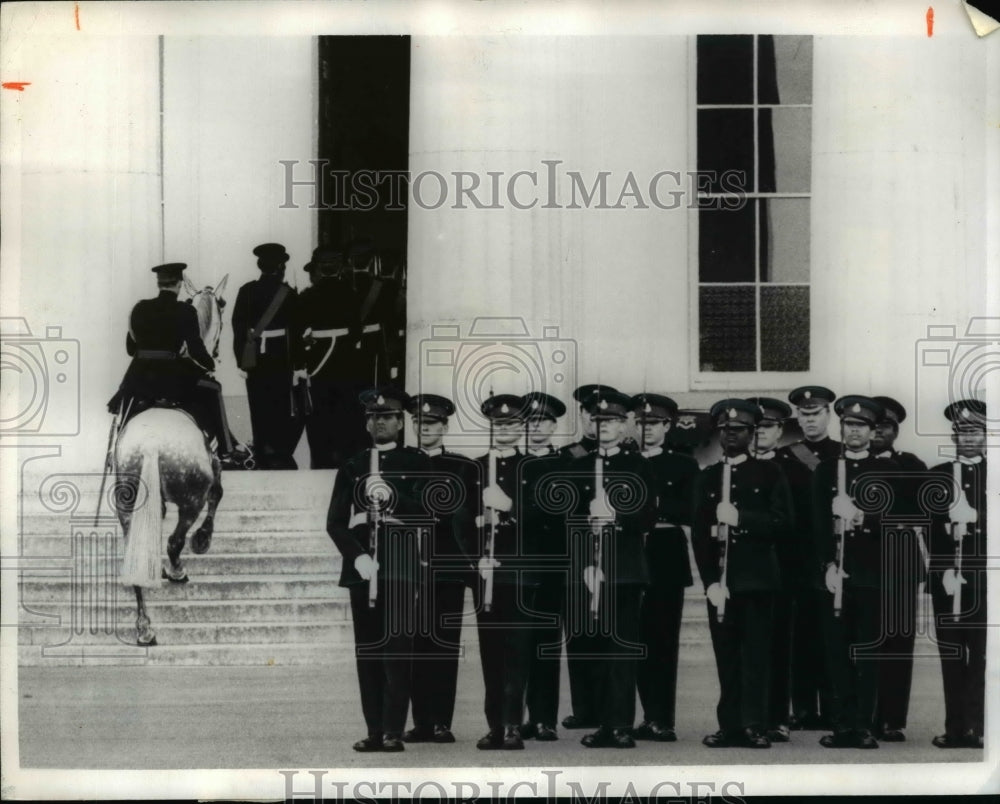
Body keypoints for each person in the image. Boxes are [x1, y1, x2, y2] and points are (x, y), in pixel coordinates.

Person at [326, 386, 431, 753]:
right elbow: (335, 523)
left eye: (386, 417)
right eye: (373, 417)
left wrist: (390, 493)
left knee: (397, 652)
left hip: (401, 567)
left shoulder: (418, 462)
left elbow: (430, 514)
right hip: (363, 569)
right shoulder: (353, 465)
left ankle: (392, 730)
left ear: (400, 422)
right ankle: (374, 729)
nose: (379, 423)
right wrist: (357, 556)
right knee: (368, 653)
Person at [693, 399, 791, 749]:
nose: (730, 436)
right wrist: (709, 583)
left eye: (738, 431)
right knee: (727, 655)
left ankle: (754, 724)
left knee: (756, 655)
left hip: (758, 579)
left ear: (752, 434)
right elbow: (699, 535)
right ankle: (730, 725)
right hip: (723, 583)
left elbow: (783, 523)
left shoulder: (769, 473)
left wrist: (743, 519)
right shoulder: (707, 477)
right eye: (725, 430)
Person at [569, 388, 656, 749]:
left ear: (624, 426)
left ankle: (620, 724)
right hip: (591, 571)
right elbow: (568, 519)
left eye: (612, 421)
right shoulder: (578, 465)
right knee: (597, 650)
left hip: (624, 570)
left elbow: (648, 517)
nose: (604, 426)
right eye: (598, 419)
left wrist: (616, 515)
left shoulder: (639, 466)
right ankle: (604, 722)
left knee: (621, 650)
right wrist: (584, 565)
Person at [813, 395, 898, 749]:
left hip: (872, 574)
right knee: (836, 652)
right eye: (848, 425)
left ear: (872, 430)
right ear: (841, 427)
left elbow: (900, 520)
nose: (854, 432)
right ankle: (841, 724)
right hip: (837, 575)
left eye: (861, 426)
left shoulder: (888, 471)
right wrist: (826, 565)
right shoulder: (826, 469)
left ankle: (863, 725)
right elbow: (816, 523)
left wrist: (864, 517)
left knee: (866, 651)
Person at [402, 393, 479, 745]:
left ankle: (441, 722)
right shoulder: (400, 463)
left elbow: (467, 524)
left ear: (445, 427)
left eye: (431, 424)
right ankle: (420, 722)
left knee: (444, 646)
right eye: (419, 423)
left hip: (446, 567)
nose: (424, 429)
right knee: (414, 646)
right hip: (409, 568)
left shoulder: (463, 467)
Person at [108, 262, 238, 461]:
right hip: (173, 381)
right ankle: (226, 450)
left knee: (125, 406)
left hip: (140, 378)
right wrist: (211, 365)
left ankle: (116, 450)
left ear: (159, 284)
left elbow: (131, 349)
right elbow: (196, 349)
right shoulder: (185, 311)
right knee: (214, 389)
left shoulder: (139, 308)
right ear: (178, 284)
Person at [631, 392, 698, 743]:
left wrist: (653, 507)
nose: (647, 430)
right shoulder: (625, 461)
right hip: (628, 551)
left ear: (667, 426)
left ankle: (662, 718)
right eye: (641, 423)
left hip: (665, 550)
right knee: (633, 637)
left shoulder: (683, 465)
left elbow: (690, 510)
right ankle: (640, 713)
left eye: (654, 423)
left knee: (662, 639)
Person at [472, 394, 537, 750]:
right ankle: (495, 725)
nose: (506, 429)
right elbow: (460, 524)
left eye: (512, 424)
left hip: (521, 573)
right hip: (488, 574)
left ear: (521, 427)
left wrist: (510, 506)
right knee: (491, 653)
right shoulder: (476, 468)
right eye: (499, 424)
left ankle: (514, 724)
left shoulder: (533, 468)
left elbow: (545, 518)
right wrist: (475, 559)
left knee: (517, 653)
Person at [746, 396, 809, 744]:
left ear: (780, 430)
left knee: (781, 643)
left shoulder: (796, 466)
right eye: (754, 428)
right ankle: (749, 715)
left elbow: (804, 520)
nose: (759, 435)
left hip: (785, 565)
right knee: (749, 645)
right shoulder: (736, 465)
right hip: (746, 568)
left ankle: (778, 716)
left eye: (766, 427)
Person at [777, 385, 840, 731]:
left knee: (831, 632)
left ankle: (833, 707)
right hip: (795, 556)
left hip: (832, 554)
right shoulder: (786, 457)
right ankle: (802, 709)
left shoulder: (841, 453)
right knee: (799, 635)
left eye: (816, 414)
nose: (809, 420)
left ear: (828, 415)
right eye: (803, 414)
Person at [928, 399, 986, 750]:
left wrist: (979, 516)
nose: (967, 437)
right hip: (949, 581)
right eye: (962, 431)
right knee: (952, 656)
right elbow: (928, 529)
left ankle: (978, 728)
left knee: (981, 657)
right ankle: (954, 728)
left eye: (974, 431)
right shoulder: (937, 475)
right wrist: (942, 570)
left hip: (984, 581)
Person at [870, 395, 927, 743]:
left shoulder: (913, 465)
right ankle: (858, 715)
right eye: (872, 425)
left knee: (897, 642)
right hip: (861, 563)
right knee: (861, 639)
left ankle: (892, 718)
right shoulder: (844, 464)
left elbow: (925, 514)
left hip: (901, 560)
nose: (878, 431)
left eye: (885, 426)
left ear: (895, 431)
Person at [557, 383, 609, 731]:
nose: (596, 421)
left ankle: (608, 707)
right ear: (582, 416)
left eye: (602, 415)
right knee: (578, 630)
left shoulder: (623, 454)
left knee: (607, 631)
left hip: (610, 551)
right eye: (591, 414)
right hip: (576, 550)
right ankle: (583, 707)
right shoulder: (569, 455)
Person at [518, 391, 568, 742]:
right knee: (517, 643)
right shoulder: (511, 463)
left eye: (544, 421)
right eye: (532, 421)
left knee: (547, 644)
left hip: (553, 562)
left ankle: (544, 718)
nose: (537, 427)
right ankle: (516, 715)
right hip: (519, 563)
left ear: (553, 426)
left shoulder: (566, 463)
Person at [294, 245, 368, 468]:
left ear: (318, 268)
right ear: (340, 268)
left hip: (318, 361)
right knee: (346, 414)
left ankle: (321, 462)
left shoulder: (307, 296)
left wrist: (302, 361)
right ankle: (346, 462)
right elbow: (356, 330)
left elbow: (298, 333)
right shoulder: (351, 294)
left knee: (320, 417)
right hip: (346, 360)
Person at [232, 243, 301, 469]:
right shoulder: (288, 294)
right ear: (281, 266)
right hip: (281, 356)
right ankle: (279, 454)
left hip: (255, 359)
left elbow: (238, 326)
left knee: (258, 407)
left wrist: (241, 359)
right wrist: (297, 361)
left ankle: (262, 453)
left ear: (260, 265)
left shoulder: (246, 290)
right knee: (281, 406)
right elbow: (297, 330)